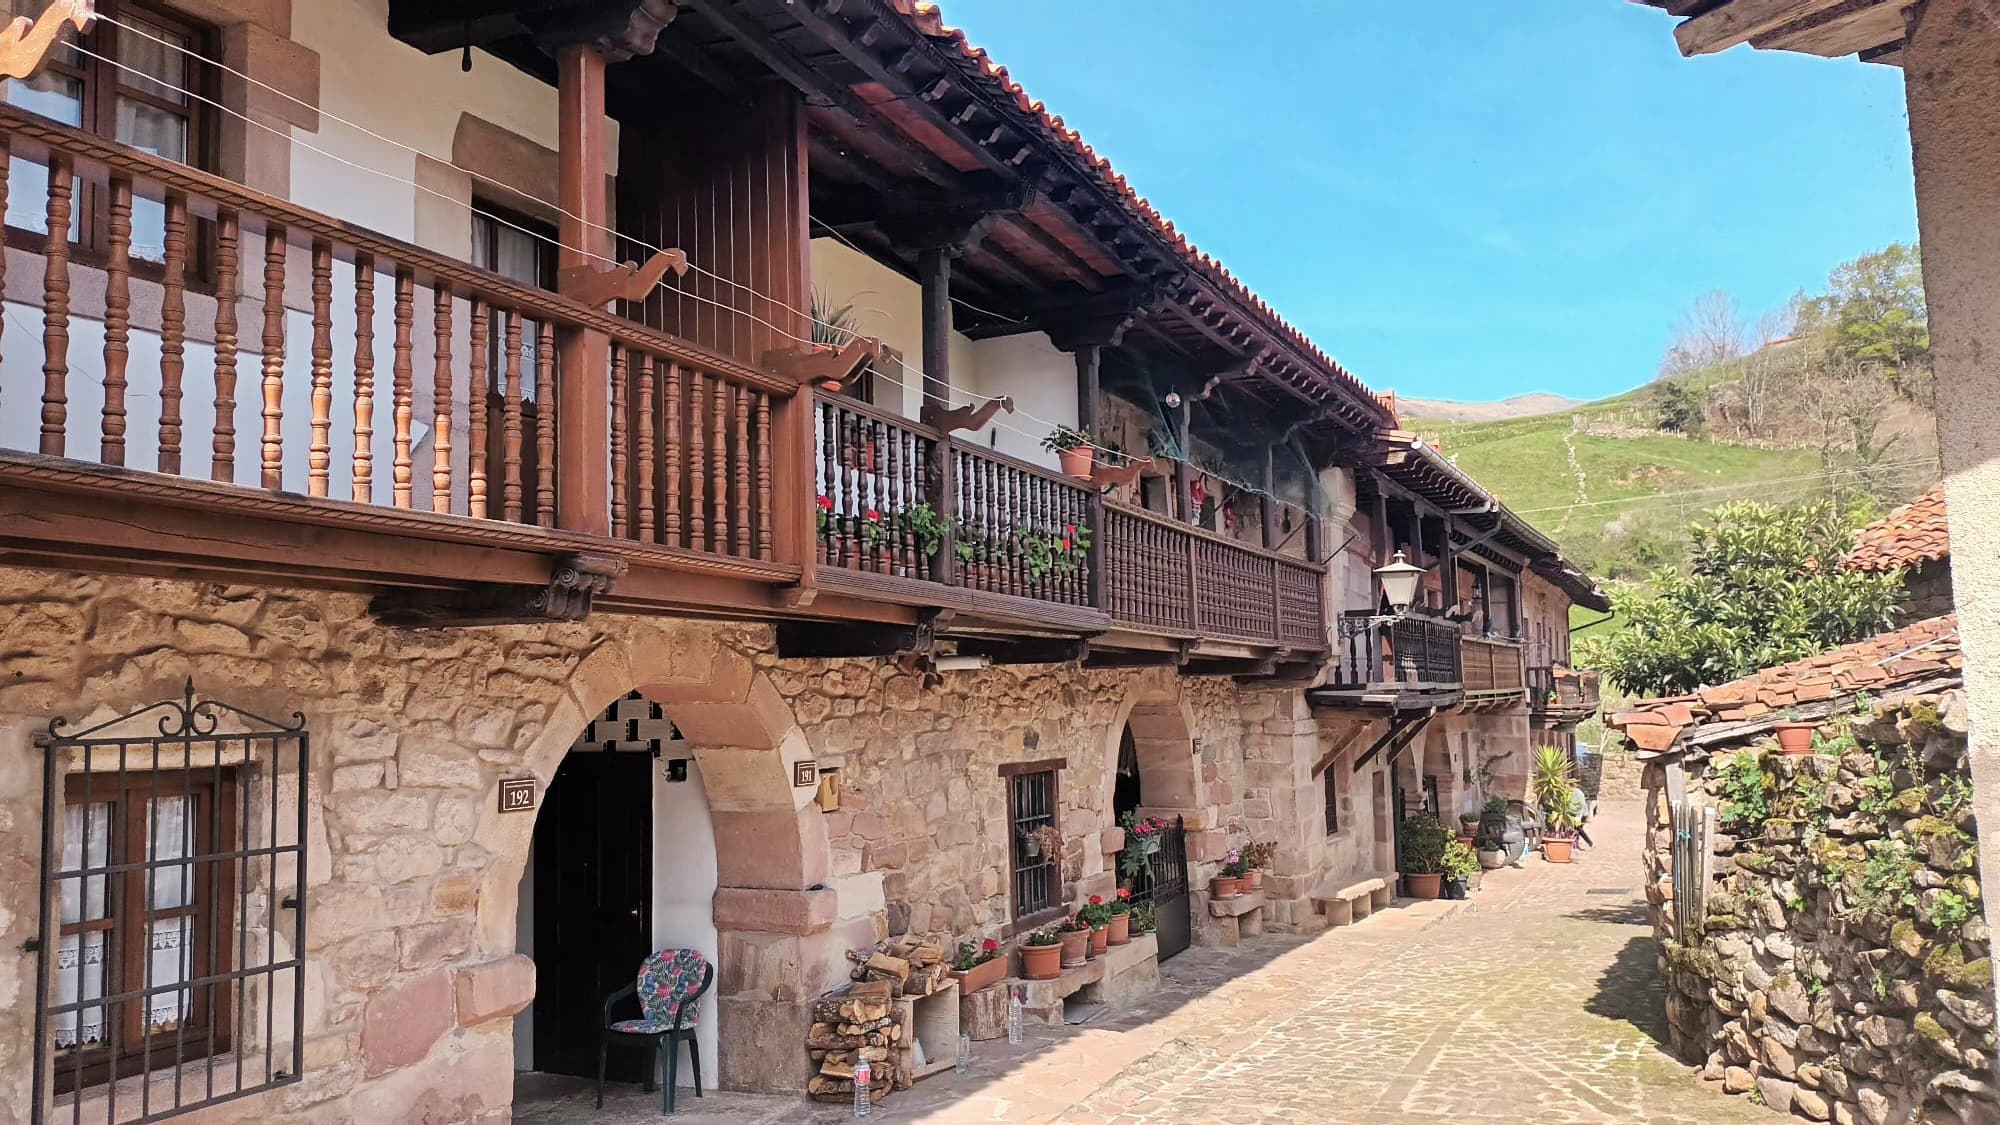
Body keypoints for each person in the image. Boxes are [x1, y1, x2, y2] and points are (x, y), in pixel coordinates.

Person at [1568, 783, 1595, 850]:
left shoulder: (1578, 793)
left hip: (1581, 814)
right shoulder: (1569, 793)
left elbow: (1582, 805)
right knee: (1575, 829)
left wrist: (1579, 816)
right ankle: (1575, 844)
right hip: (1573, 813)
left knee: (1579, 829)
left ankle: (1590, 843)